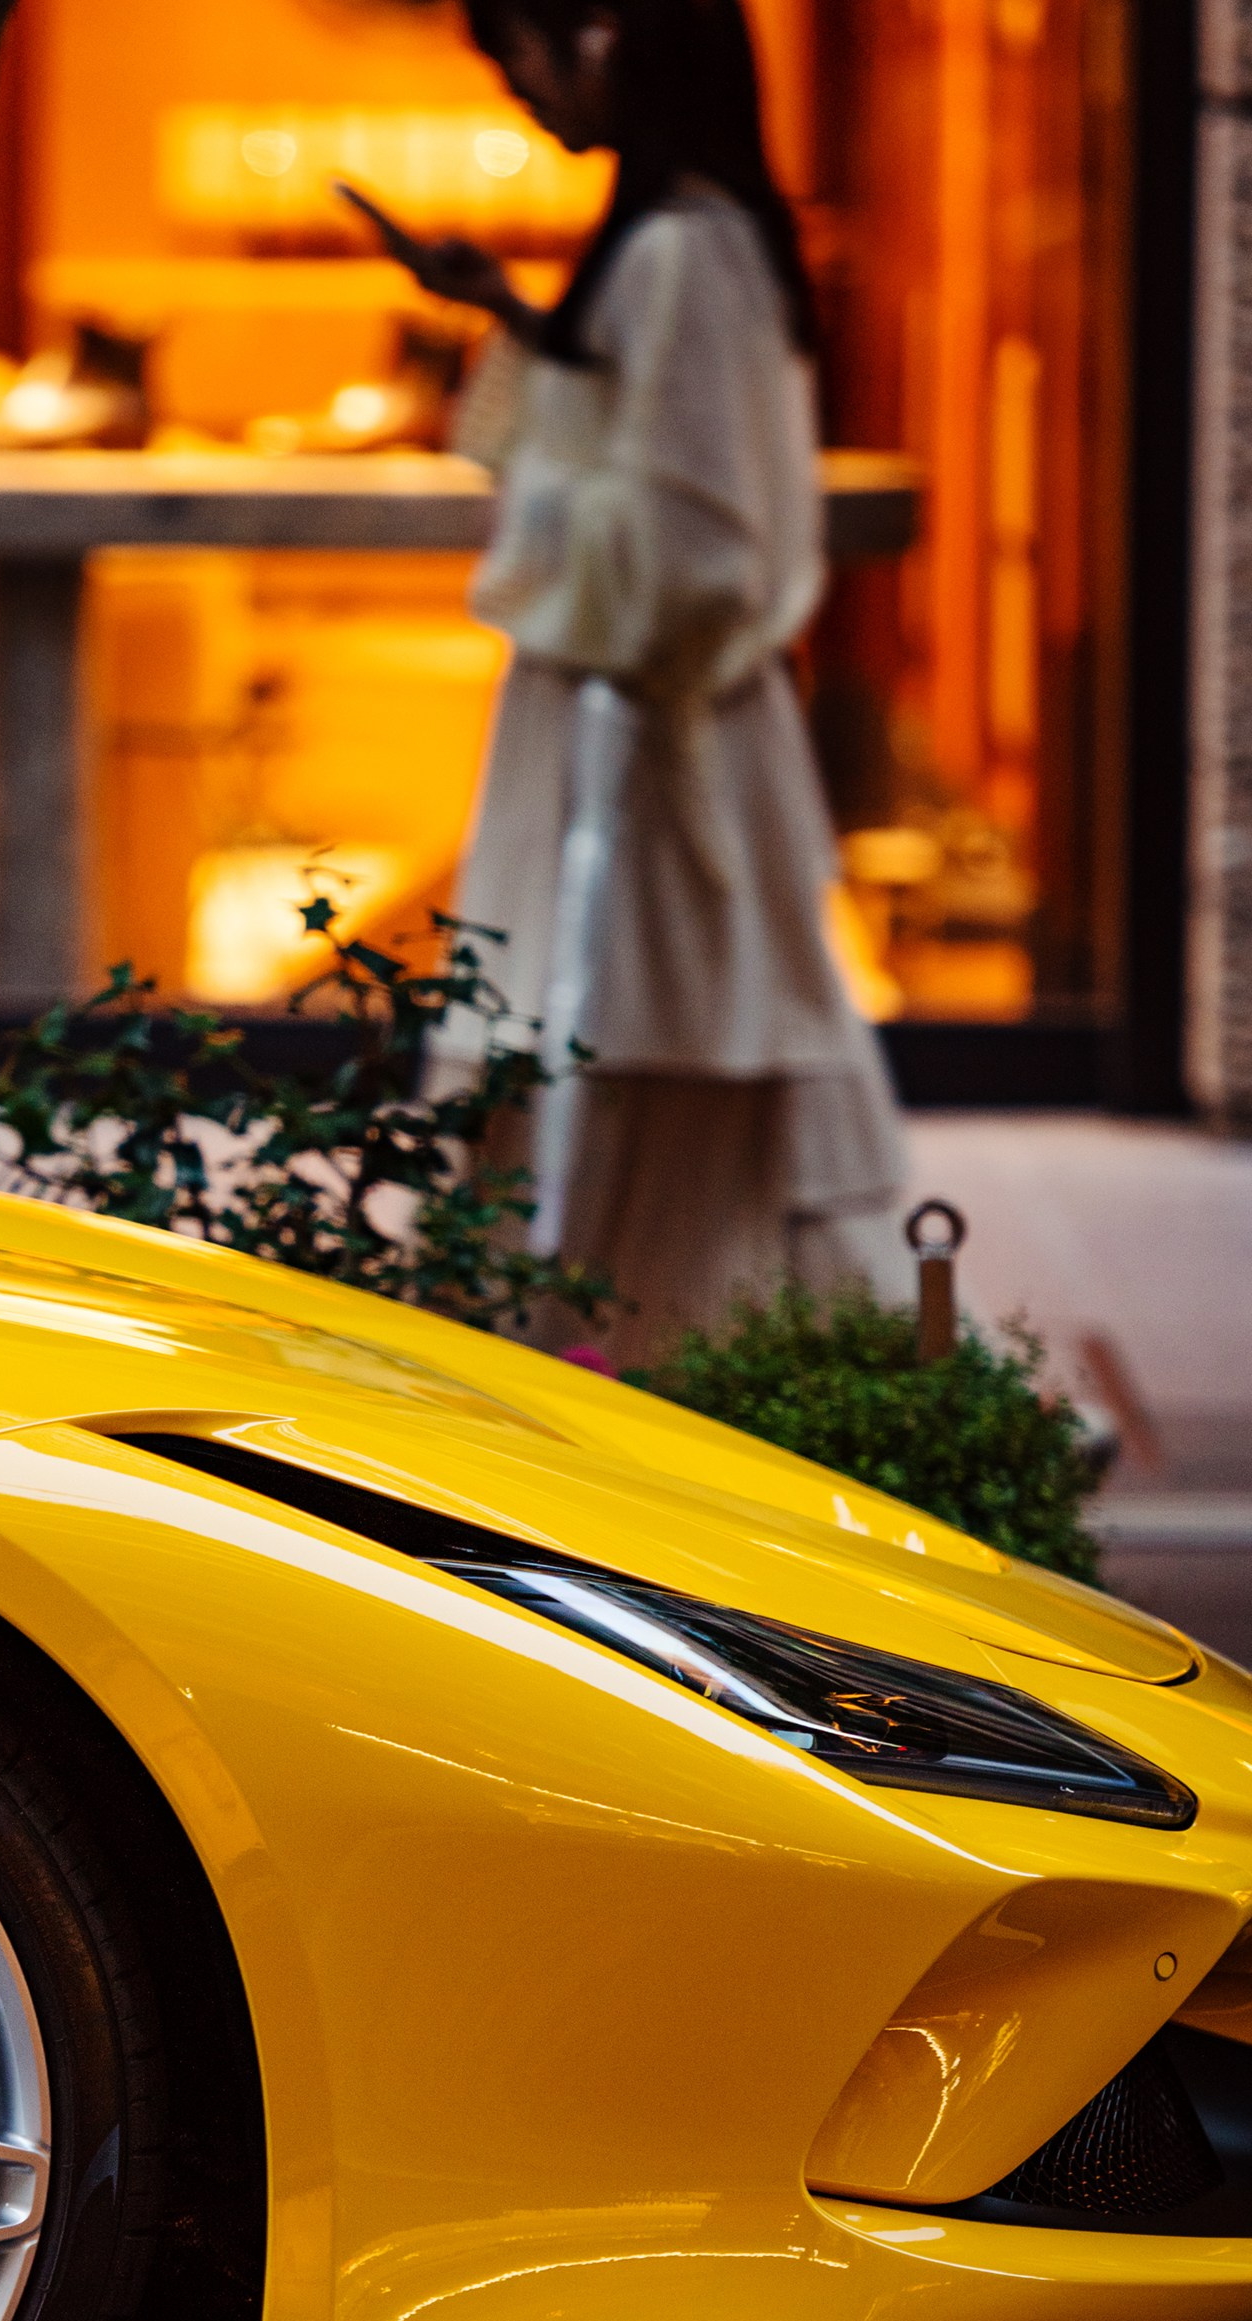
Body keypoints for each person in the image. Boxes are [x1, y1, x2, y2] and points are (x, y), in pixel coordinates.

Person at [345, 0, 911, 1361]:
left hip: (647, 732)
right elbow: (650, 451)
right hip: (645, 722)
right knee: (640, 1034)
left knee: (616, 1025)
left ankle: (599, 1347)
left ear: (609, 48)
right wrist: (510, 317)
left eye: (529, 58)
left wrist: (549, 512)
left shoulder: (678, 251)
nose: (530, 96)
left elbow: (688, 541)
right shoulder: (688, 246)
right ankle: (650, 1341)